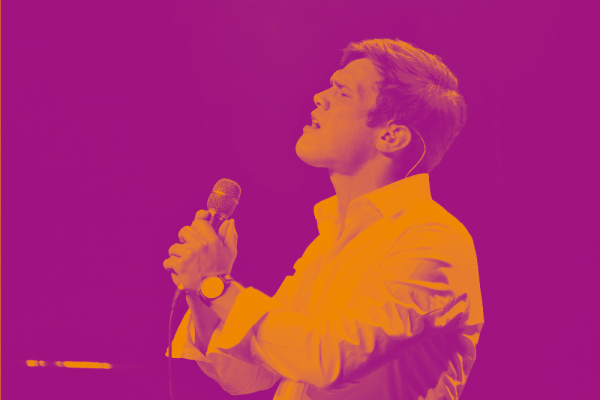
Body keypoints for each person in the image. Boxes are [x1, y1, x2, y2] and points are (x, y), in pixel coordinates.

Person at [164, 38, 484, 400]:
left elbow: (329, 358)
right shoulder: (329, 243)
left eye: (342, 92)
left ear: (391, 136)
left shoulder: (434, 241)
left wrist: (216, 285)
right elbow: (248, 374)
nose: (319, 97)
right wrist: (201, 289)